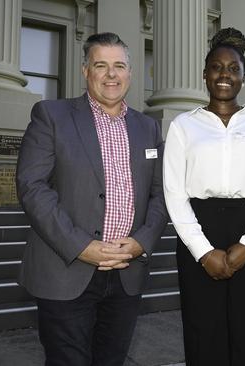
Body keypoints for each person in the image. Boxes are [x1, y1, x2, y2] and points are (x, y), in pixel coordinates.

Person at [16, 32, 168, 365]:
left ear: (130, 73)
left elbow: (161, 193)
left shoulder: (149, 129)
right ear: (86, 71)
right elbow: (32, 186)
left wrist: (141, 241)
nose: (111, 74)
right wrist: (82, 246)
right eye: (101, 65)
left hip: (126, 272)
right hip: (66, 270)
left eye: (119, 66)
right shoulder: (51, 116)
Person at [163, 27, 245, 366]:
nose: (224, 75)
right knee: (204, 334)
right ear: (205, 74)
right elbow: (173, 192)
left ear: (244, 77)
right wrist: (203, 252)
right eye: (217, 67)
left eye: (233, 69)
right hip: (199, 233)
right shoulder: (183, 126)